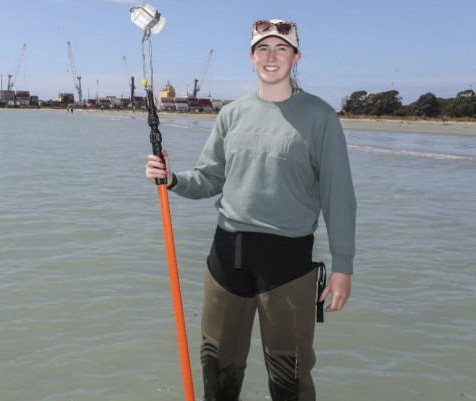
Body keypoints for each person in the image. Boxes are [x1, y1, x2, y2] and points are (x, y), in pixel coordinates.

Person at [145, 19, 356, 401]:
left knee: (290, 380)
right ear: (251, 57)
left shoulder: (321, 116)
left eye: (280, 48)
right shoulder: (231, 114)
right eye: (263, 48)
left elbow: (339, 196)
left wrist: (343, 266)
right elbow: (210, 178)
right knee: (216, 373)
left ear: (296, 56)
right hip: (226, 258)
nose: (271, 57)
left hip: (288, 265)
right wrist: (172, 178)